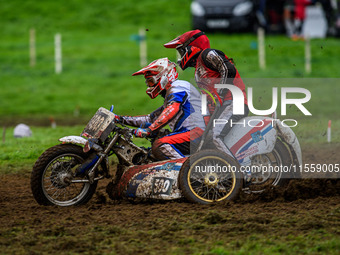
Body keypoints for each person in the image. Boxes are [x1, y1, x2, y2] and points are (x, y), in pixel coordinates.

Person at [164, 30, 249, 154]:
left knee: (215, 136)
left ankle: (235, 170)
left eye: (182, 51)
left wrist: (220, 92)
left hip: (234, 103)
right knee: (207, 140)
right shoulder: (198, 67)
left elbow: (228, 69)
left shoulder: (207, 54)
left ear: (192, 47)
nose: (181, 55)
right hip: (223, 107)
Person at [116, 57, 205, 161]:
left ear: (164, 77)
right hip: (189, 133)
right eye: (148, 83)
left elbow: (172, 109)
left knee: (159, 145)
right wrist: (119, 119)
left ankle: (186, 171)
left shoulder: (178, 87)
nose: (149, 86)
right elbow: (150, 119)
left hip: (196, 133)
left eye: (151, 81)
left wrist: (149, 130)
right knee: (150, 150)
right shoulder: (172, 94)